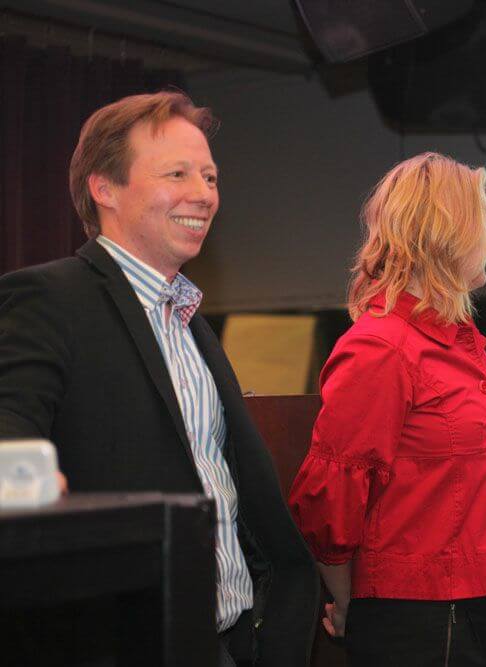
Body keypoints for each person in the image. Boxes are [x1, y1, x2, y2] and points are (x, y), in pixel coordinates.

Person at [0, 91, 319, 666]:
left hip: (235, 640)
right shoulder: (48, 299)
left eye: (211, 177)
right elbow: (8, 435)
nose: (204, 194)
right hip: (124, 642)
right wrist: (32, 491)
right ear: (105, 189)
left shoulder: (191, 323)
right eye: (178, 173)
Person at [288, 152, 486, 666]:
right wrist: (348, 600)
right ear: (450, 232)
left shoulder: (459, 341)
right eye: (483, 223)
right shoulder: (382, 347)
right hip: (419, 615)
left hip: (484, 597)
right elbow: (329, 500)